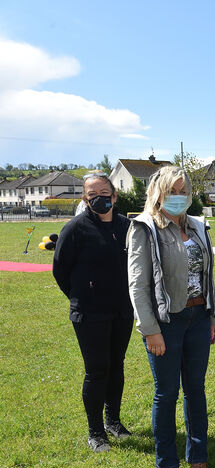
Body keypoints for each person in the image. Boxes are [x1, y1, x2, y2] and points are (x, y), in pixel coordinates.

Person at [127, 166, 215, 468]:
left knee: (195, 390)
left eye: (183, 191)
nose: (179, 197)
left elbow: (207, 277)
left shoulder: (197, 226)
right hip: (166, 322)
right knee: (166, 393)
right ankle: (167, 462)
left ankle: (198, 456)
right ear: (159, 193)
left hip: (198, 317)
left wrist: (213, 316)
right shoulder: (145, 228)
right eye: (173, 191)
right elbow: (138, 285)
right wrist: (150, 329)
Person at [53, 173, 133, 452]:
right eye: (91, 194)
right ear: (86, 200)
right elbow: (60, 270)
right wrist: (81, 296)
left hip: (122, 310)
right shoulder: (74, 229)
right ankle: (96, 432)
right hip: (90, 314)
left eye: (103, 192)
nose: (99, 197)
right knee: (97, 370)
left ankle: (113, 421)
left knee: (117, 366)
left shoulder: (127, 227)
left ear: (114, 195)